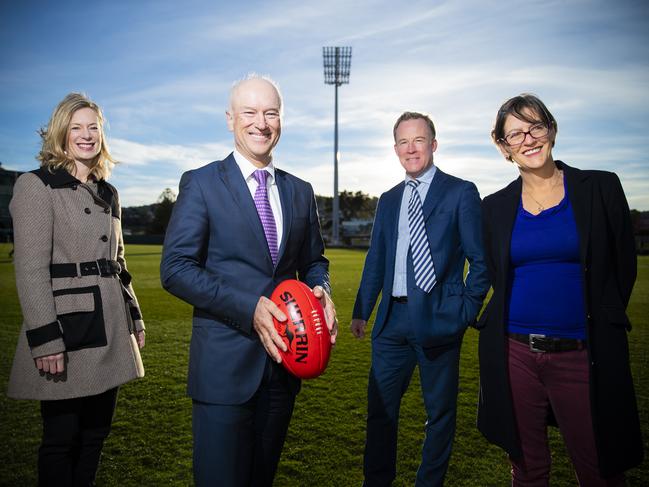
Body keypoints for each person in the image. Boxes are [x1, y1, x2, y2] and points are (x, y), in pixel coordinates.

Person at [160, 74, 337, 487]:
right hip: (224, 369)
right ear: (230, 120)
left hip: (284, 367)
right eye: (250, 113)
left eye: (271, 113)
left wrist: (320, 290)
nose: (261, 123)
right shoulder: (202, 183)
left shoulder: (300, 190)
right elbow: (176, 268)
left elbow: (314, 261)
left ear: (281, 120)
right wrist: (248, 307)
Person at [477, 93, 643, 486]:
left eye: (535, 126)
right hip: (515, 352)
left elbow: (622, 267)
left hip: (584, 352)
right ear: (503, 146)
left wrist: (596, 321)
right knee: (528, 469)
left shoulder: (599, 188)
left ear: (551, 129)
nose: (528, 138)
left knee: (599, 469)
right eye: (515, 133)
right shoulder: (495, 206)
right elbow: (496, 275)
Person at [7, 93, 146, 486]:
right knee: (60, 440)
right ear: (60, 134)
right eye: (76, 128)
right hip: (66, 329)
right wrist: (46, 339)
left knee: (95, 436)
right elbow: (30, 267)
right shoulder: (36, 186)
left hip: (112, 326)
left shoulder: (109, 192)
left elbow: (119, 263)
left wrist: (134, 315)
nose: (86, 136)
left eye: (93, 128)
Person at [351, 111, 489, 486]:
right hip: (391, 322)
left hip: (440, 318)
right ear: (395, 148)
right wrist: (362, 310)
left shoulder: (461, 192)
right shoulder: (390, 198)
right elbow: (376, 258)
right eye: (403, 141)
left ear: (433, 144)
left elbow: (481, 260)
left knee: (439, 414)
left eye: (419, 140)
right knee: (380, 412)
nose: (411, 148)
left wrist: (465, 309)